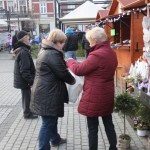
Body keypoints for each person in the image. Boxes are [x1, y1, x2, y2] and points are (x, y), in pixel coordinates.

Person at [67, 27, 118, 150]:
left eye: (90, 40)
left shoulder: (96, 55)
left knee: (93, 128)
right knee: (108, 123)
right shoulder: (111, 52)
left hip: (95, 95)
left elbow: (79, 70)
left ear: (95, 40)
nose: (89, 43)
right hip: (107, 93)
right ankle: (113, 147)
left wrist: (70, 61)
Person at [30, 29, 75, 150]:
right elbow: (63, 73)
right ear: (57, 42)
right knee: (47, 122)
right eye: (63, 42)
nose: (64, 44)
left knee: (51, 118)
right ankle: (43, 147)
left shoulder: (46, 50)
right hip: (47, 93)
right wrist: (74, 80)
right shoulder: (52, 54)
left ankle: (55, 139)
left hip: (46, 90)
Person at [13, 30, 38, 119]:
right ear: (24, 39)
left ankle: (29, 111)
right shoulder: (23, 52)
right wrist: (30, 81)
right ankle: (27, 114)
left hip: (23, 79)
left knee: (27, 96)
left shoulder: (23, 49)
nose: (29, 38)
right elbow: (24, 70)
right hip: (24, 80)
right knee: (26, 96)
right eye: (27, 37)